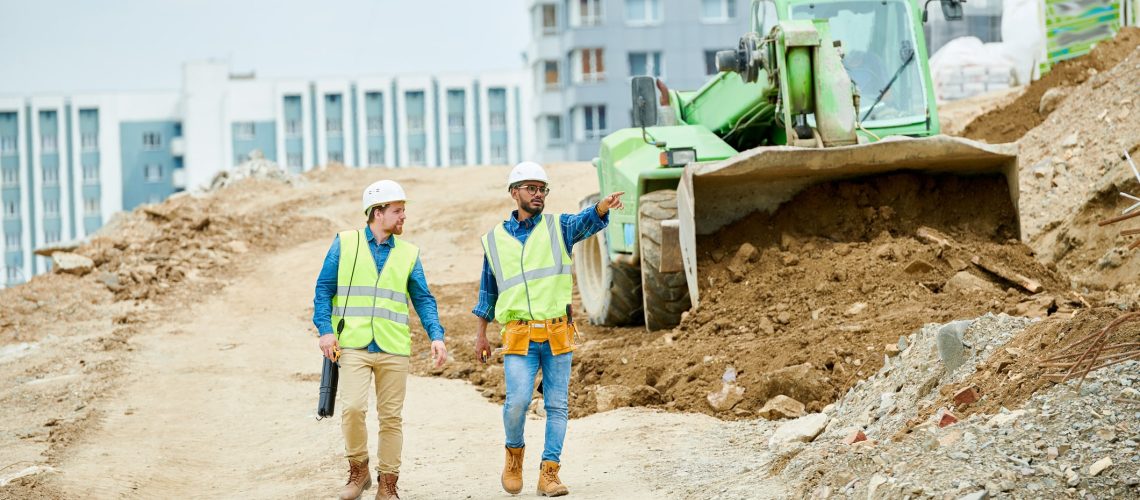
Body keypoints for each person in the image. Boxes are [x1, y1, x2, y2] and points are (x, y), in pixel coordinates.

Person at [472, 161, 624, 497]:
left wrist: (601, 207)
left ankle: (549, 472)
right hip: (519, 335)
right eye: (531, 188)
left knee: (557, 406)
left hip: (557, 334)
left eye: (542, 189)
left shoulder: (560, 227)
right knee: (517, 402)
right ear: (515, 193)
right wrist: (481, 333)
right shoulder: (494, 241)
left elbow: (586, 221)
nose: (538, 194)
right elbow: (488, 291)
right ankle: (514, 456)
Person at [313, 179, 448, 500]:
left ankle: (388, 484)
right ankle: (358, 471)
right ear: (377, 212)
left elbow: (424, 299)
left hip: (394, 347)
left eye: (403, 211)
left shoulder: (409, 253)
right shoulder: (345, 244)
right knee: (354, 409)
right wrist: (325, 330)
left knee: (391, 418)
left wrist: (436, 336)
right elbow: (323, 289)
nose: (404, 217)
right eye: (397, 211)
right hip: (353, 344)